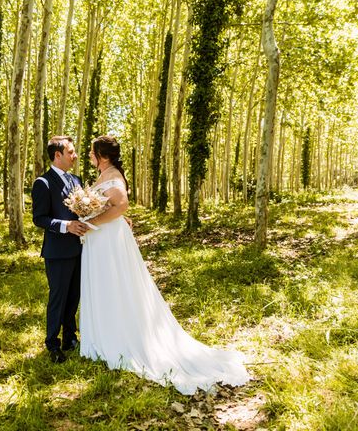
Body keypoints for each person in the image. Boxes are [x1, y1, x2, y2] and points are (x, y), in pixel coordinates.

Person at [79, 135, 250, 395]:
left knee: (113, 283)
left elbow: (121, 205)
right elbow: (110, 206)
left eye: (92, 152)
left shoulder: (113, 175)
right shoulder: (106, 173)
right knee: (104, 284)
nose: (89, 156)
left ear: (101, 155)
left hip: (108, 240)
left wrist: (95, 222)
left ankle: (117, 336)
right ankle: (102, 335)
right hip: (99, 240)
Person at [31, 136, 90, 364]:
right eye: (71, 152)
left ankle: (70, 338)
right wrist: (66, 226)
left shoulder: (76, 180)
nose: (75, 156)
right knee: (58, 297)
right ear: (58, 155)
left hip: (79, 249)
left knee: (74, 296)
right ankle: (52, 344)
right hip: (56, 251)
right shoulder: (43, 183)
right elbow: (40, 219)